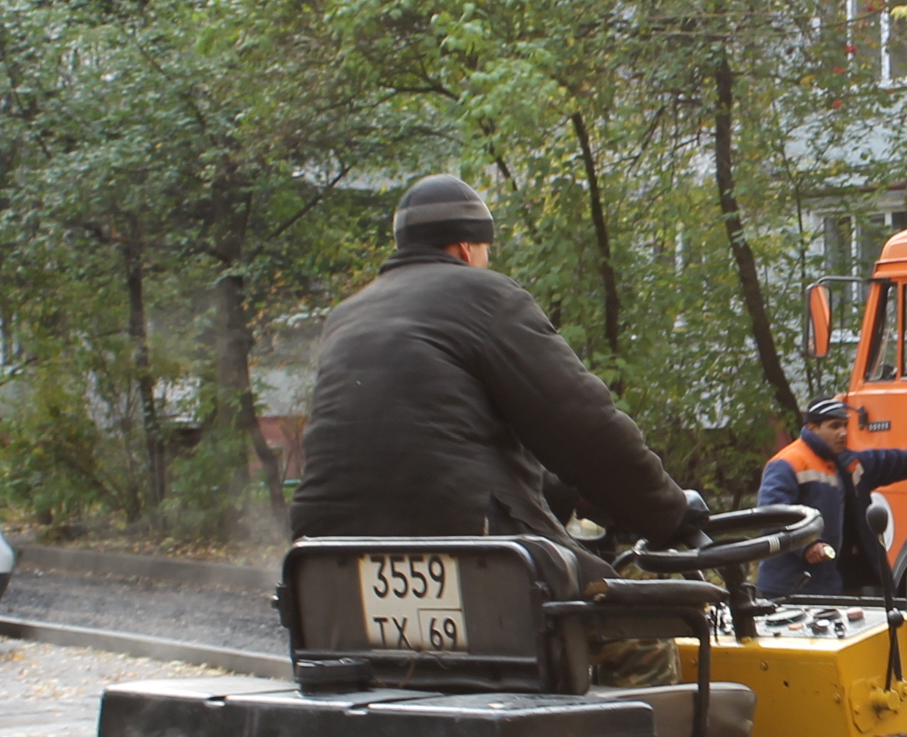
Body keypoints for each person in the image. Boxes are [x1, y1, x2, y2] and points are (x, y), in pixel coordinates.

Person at [292, 175, 693, 551]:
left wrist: (566, 495)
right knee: (619, 596)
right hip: (471, 555)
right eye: (486, 251)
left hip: (328, 560)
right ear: (466, 248)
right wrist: (666, 511)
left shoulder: (347, 316)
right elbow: (583, 427)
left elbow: (429, 446)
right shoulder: (485, 296)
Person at [755, 397, 907, 598]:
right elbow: (772, 516)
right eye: (834, 426)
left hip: (830, 585)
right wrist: (808, 545)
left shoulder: (848, 463)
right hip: (790, 588)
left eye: (845, 425)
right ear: (812, 428)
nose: (843, 433)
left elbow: (889, 461)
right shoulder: (787, 463)